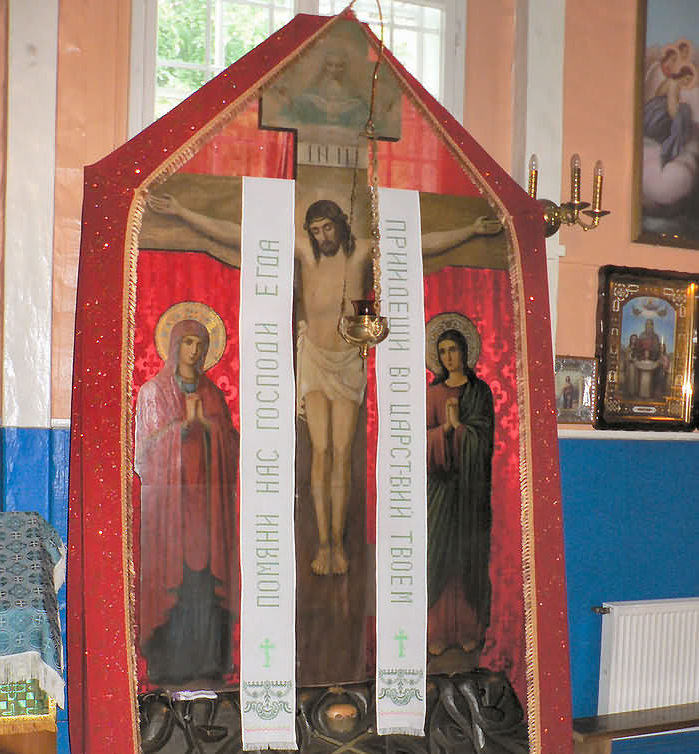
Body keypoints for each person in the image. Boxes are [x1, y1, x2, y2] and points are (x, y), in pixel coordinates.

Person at [146, 191, 501, 576]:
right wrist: (183, 209)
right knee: (320, 450)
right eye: (315, 230)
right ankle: (323, 544)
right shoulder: (304, 251)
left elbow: (419, 244)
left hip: (348, 362)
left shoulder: (360, 252)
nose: (321, 236)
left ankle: (339, 543)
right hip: (315, 359)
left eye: (327, 228)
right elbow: (241, 233)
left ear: (340, 225)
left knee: (342, 452)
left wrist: (470, 230)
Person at [135, 318, 239, 686]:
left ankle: (209, 663)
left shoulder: (213, 395)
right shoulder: (154, 392)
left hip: (208, 510)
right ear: (175, 346)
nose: (194, 351)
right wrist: (182, 427)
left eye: (200, 344)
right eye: (188, 343)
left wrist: (209, 427)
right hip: (170, 511)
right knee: (173, 583)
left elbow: (231, 448)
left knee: (205, 585)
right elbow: (143, 454)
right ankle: (169, 665)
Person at [426, 326, 494, 666]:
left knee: (467, 557)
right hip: (440, 489)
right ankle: (436, 633)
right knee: (439, 556)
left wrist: (463, 429)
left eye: (453, 350)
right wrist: (446, 430)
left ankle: (469, 630)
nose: (448, 357)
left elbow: (485, 439)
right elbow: (421, 441)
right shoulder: (433, 393)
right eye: (442, 352)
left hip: (471, 490)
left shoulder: (480, 392)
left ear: (465, 352)